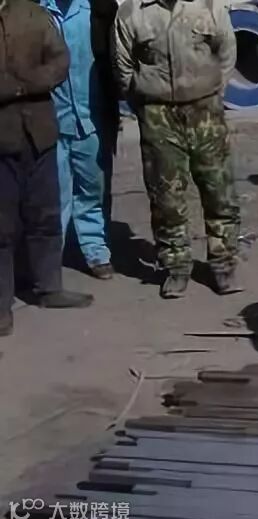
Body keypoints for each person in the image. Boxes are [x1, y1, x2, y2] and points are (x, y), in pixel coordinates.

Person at [113, 0, 241, 299]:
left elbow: (226, 51)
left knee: (218, 190)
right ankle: (176, 267)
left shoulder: (208, 5)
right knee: (166, 196)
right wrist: (146, 100)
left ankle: (223, 265)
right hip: (158, 115)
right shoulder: (132, 13)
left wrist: (211, 90)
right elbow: (123, 67)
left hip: (204, 111)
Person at [1, 0, 94, 337]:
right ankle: (1, 308)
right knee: (2, 226)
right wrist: (13, 88)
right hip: (2, 139)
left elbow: (59, 60)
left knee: (45, 214)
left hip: (39, 133)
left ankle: (49, 287)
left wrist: (25, 86)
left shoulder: (32, 14)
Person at [42, 0, 119, 280]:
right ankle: (49, 259)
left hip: (92, 116)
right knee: (53, 193)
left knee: (93, 188)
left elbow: (116, 57)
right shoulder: (37, 12)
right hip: (51, 120)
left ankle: (95, 250)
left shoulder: (99, 9)